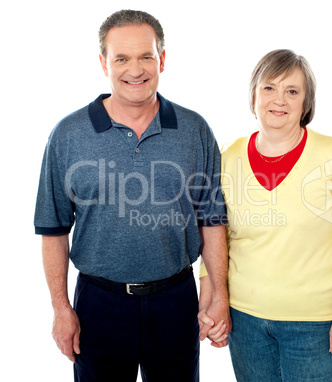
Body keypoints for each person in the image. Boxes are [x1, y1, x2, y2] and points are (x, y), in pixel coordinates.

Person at [34, 9, 230, 382]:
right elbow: (53, 229)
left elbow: (212, 220)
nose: (135, 69)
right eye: (121, 58)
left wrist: (218, 292)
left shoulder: (194, 130)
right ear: (103, 62)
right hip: (98, 304)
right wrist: (61, 308)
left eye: (146, 56)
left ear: (162, 60)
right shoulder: (68, 135)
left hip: (175, 300)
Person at [198, 49, 332, 381]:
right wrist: (210, 304)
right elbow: (214, 234)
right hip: (245, 320)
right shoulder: (229, 157)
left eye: (292, 91)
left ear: (306, 103)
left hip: (313, 323)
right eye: (269, 88)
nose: (280, 100)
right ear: (254, 96)